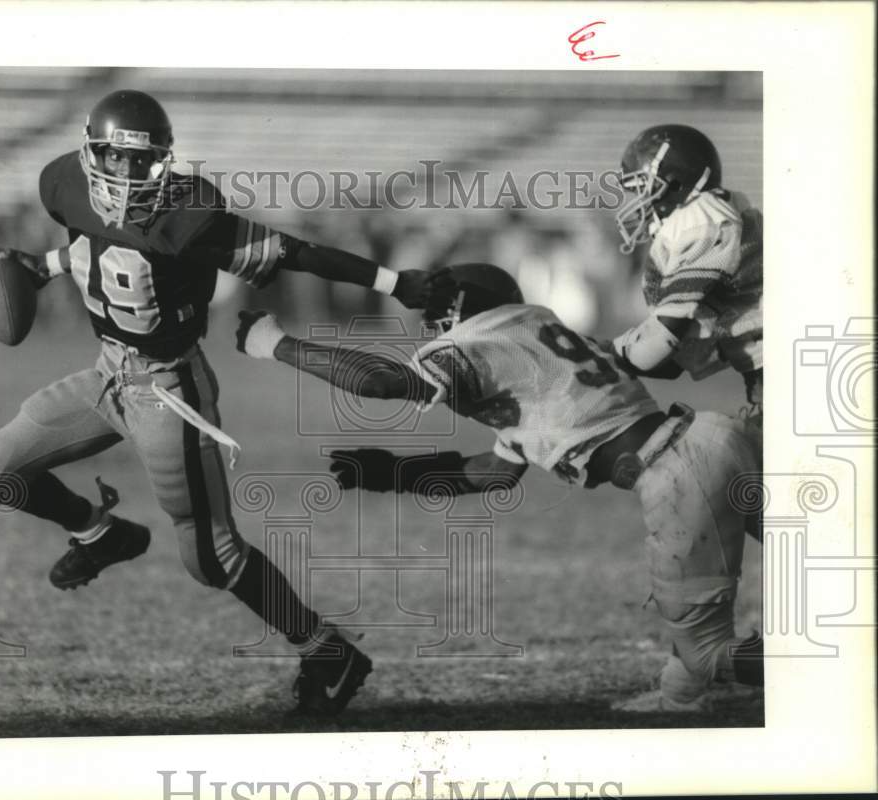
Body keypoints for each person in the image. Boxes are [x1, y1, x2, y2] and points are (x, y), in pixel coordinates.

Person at [0, 89, 451, 715]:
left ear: (165, 162)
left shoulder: (191, 216)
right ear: (91, 154)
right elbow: (100, 240)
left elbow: (297, 252)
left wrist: (395, 282)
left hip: (170, 393)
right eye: (115, 160)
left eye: (143, 163)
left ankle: (328, 651)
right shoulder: (63, 184)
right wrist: (46, 265)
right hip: (107, 375)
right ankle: (99, 532)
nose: (128, 175)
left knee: (212, 558)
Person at [235, 263, 764, 712]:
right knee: (804, 562)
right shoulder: (534, 342)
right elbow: (496, 471)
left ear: (463, 310)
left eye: (438, 315)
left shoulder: (486, 339)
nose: (432, 327)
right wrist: (394, 474)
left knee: (709, 655)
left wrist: (277, 344)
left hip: (678, 472)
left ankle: (816, 669)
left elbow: (380, 382)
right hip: (713, 437)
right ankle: (684, 693)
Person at [611, 124, 763, 425]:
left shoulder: (701, 220)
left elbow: (657, 346)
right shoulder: (713, 209)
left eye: (645, 188)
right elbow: (678, 360)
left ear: (676, 184)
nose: (641, 201)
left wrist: (606, 354)